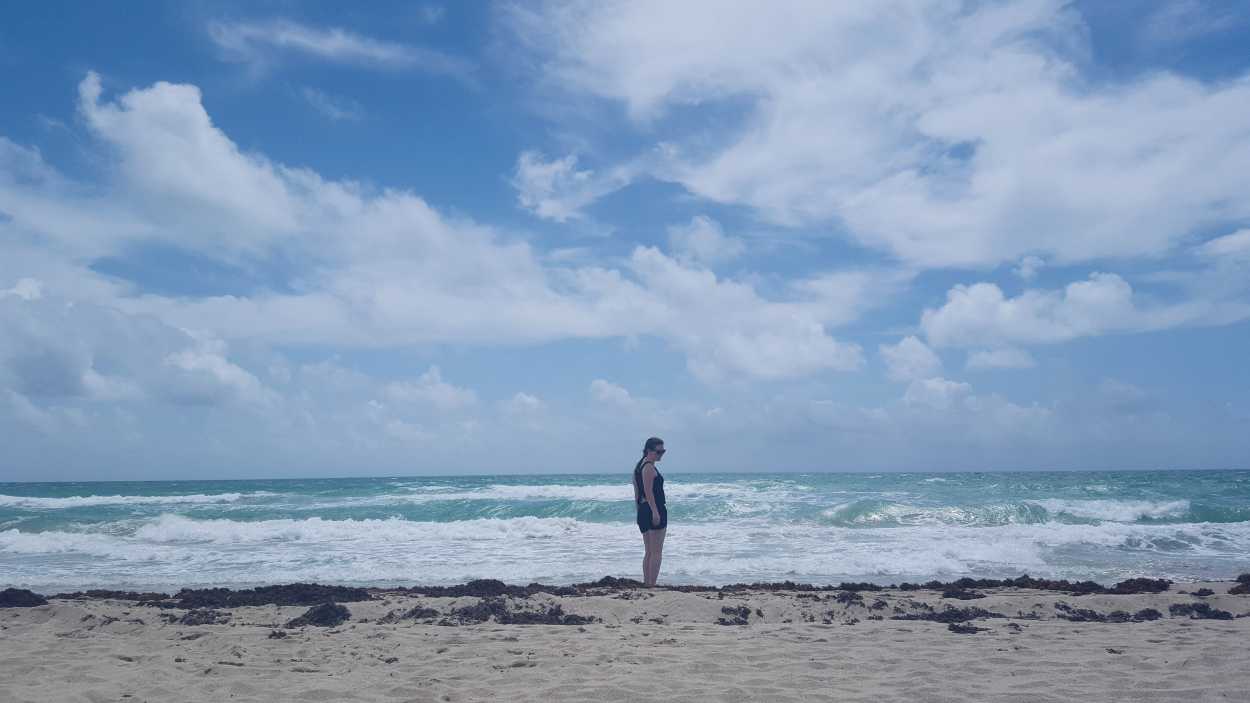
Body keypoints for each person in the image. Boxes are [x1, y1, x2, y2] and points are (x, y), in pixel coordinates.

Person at [632, 437, 667, 587]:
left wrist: (639, 511)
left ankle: (648, 583)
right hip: (654, 509)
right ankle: (651, 584)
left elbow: (636, 493)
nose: (661, 454)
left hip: (644, 510)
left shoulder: (639, 467)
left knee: (649, 551)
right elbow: (647, 492)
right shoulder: (648, 468)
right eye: (658, 451)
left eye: (663, 451)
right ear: (649, 451)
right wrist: (655, 512)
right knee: (656, 552)